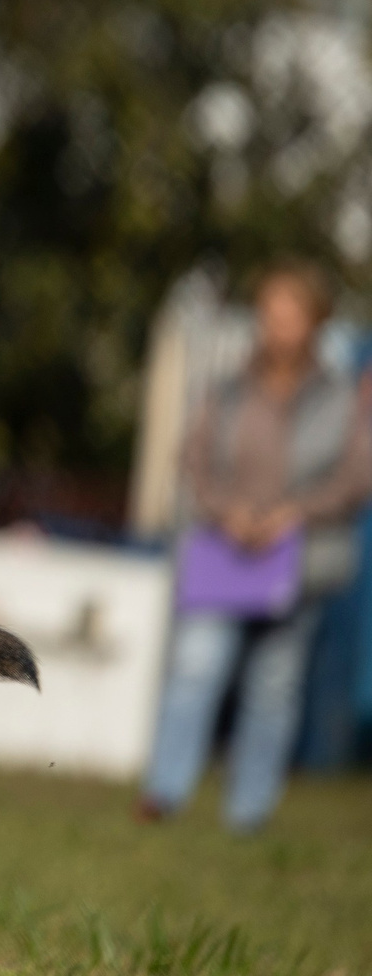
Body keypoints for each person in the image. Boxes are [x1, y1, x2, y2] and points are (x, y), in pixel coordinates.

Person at [137, 261, 372, 831]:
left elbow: (355, 477)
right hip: (227, 550)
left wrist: (295, 514)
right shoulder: (228, 390)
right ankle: (164, 793)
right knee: (197, 664)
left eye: (291, 316)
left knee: (275, 685)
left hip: (299, 560)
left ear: (316, 324)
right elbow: (191, 460)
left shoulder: (340, 398)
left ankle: (249, 812)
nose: (279, 327)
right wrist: (227, 511)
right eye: (270, 315)